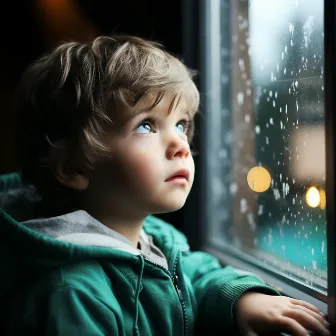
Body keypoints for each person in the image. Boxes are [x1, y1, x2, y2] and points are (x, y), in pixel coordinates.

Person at [0, 35, 330, 336]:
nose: (181, 145)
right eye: (146, 126)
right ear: (74, 167)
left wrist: (241, 300)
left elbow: (194, 276)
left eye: (182, 125)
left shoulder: (154, 239)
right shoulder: (73, 293)